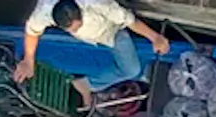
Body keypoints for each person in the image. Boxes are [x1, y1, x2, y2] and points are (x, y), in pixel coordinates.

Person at [14, 0, 170, 81]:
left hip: (112, 31)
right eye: (70, 30)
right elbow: (32, 31)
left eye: (76, 26)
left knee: (132, 70)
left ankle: (88, 84)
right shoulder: (44, 10)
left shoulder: (98, 4)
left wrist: (155, 37)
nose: (74, 31)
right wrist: (29, 59)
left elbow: (129, 20)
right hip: (92, 37)